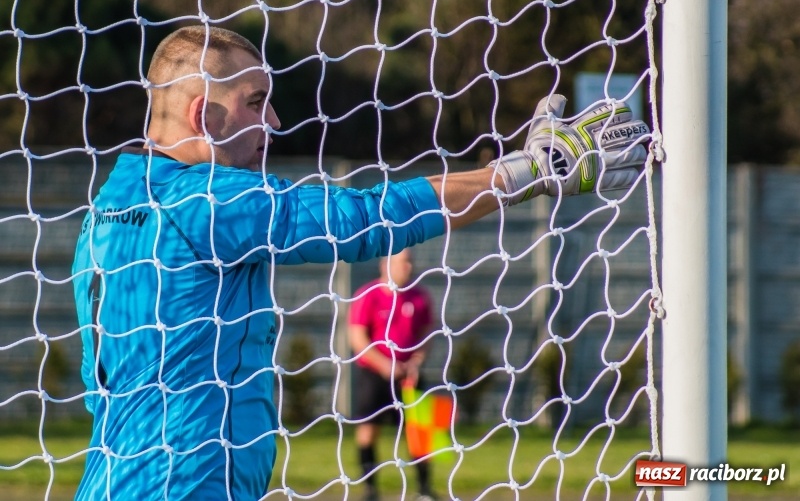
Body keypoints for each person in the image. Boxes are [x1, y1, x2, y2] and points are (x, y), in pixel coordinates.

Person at [71, 25, 648, 500]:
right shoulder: (202, 200)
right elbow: (365, 217)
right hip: (183, 488)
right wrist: (528, 171)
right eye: (256, 103)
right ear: (204, 116)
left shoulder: (108, 211)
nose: (273, 122)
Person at [349, 249, 436, 501]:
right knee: (368, 430)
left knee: (421, 433)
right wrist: (385, 365)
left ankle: (425, 490)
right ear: (384, 264)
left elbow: (428, 333)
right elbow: (357, 338)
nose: (407, 267)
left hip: (410, 376)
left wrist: (417, 362)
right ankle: (370, 489)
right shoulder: (368, 295)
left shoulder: (420, 296)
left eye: (410, 261)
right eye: (402, 262)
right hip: (375, 375)